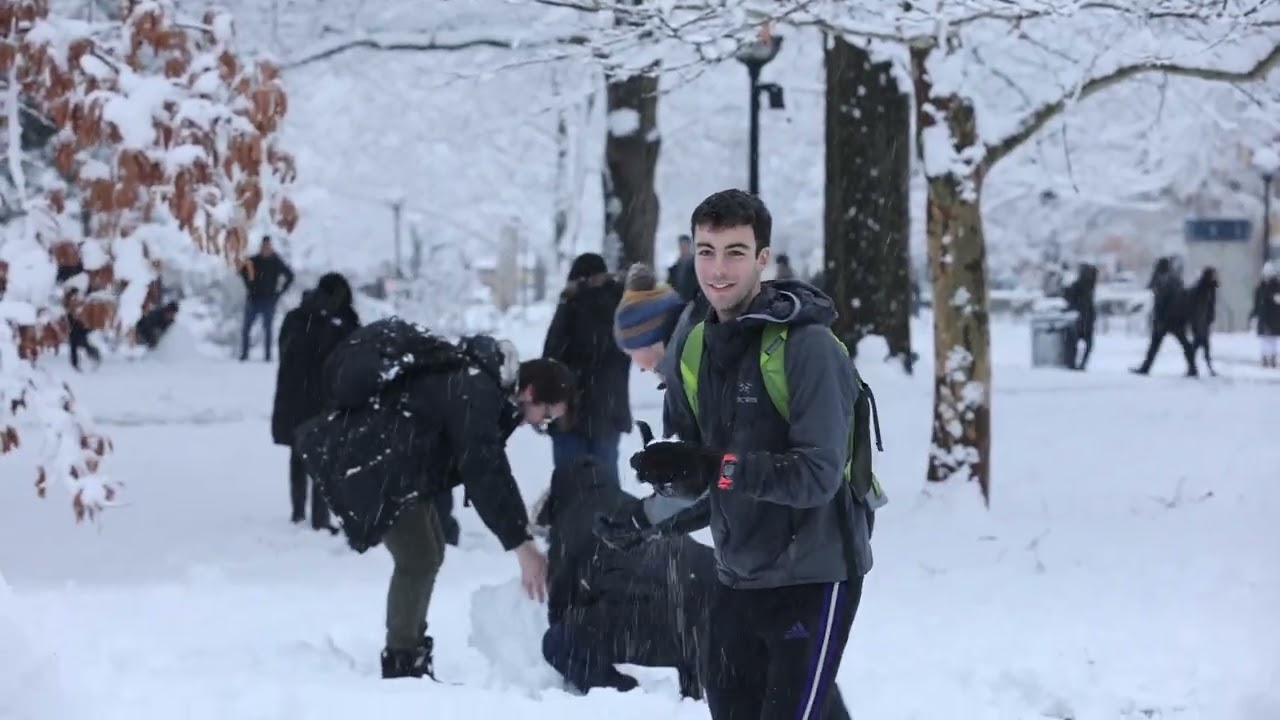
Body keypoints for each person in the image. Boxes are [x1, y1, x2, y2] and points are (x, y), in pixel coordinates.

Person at [617, 189, 871, 720]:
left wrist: (717, 465)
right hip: (736, 573)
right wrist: (669, 476)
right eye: (706, 251)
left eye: (735, 251)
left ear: (762, 259)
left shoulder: (808, 349)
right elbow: (700, 471)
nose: (718, 269)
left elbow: (816, 477)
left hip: (814, 574)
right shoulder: (694, 345)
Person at [294, 319, 576, 680]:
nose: (540, 425)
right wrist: (522, 547)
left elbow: (493, 469)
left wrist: (521, 535)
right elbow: (484, 472)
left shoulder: (485, 385)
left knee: (431, 549)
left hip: (396, 466)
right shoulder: (479, 391)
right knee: (419, 557)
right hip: (374, 465)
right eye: (546, 417)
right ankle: (401, 660)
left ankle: (409, 647)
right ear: (532, 391)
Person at [270, 273, 360, 530]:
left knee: (300, 454)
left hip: (296, 396)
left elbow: (285, 351)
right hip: (323, 397)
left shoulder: (299, 317)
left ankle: (300, 514)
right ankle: (318, 519)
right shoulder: (338, 321)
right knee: (322, 456)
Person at [542, 253, 632, 473]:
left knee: (571, 487)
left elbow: (552, 354)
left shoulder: (575, 307)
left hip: (572, 412)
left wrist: (567, 303)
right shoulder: (622, 308)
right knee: (605, 486)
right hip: (607, 413)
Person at [1132, 256, 1196, 377]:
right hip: (1177, 317)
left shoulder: (1162, 279)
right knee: (1184, 343)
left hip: (1165, 318)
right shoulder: (1175, 278)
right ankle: (1192, 367)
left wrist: (1158, 317)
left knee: (1155, 345)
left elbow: (1160, 299)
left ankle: (1145, 368)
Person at [238, 236, 295, 362]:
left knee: (268, 330)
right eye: (264, 246)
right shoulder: (254, 260)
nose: (266, 249)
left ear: (271, 247)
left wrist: (279, 293)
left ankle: (268, 357)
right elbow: (242, 271)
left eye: (268, 246)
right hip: (253, 300)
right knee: (246, 328)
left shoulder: (276, 261)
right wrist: (248, 285)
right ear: (261, 247)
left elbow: (290, 276)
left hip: (269, 301)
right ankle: (244, 355)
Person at [1061, 263, 1097, 371]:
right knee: (1087, 342)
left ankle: (1071, 362)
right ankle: (1080, 363)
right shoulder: (1089, 286)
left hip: (1079, 316)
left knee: (1073, 340)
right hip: (1086, 316)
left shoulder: (1079, 285)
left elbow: (1068, 295)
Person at [1186, 267, 1218, 376]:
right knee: (1202, 345)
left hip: (1204, 321)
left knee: (1200, 345)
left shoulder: (1210, 287)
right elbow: (1199, 306)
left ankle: (1194, 368)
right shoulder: (1202, 288)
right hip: (1199, 321)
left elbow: (1210, 306)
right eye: (1213, 274)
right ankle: (1202, 368)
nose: (1215, 276)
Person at [1249, 261, 1280, 368]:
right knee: (1265, 339)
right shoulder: (1260, 288)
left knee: (1272, 339)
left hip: (1274, 316)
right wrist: (1253, 315)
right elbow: (1257, 303)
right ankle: (1265, 357)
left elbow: (1277, 300)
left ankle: (1272, 358)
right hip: (1263, 316)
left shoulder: (1276, 287)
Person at [667, 234, 699, 302]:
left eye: (685, 245)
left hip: (693, 301)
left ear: (689, 246)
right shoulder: (674, 268)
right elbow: (670, 284)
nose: (683, 248)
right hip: (677, 301)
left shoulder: (696, 265)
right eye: (681, 246)